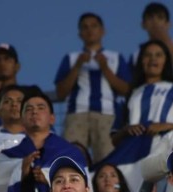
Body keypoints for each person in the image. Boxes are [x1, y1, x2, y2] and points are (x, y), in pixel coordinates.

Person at [102, 39, 173, 192]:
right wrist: (126, 130)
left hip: (163, 150)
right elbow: (114, 138)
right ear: (141, 61)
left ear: (166, 61)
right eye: (148, 55)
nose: (153, 59)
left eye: (158, 55)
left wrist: (166, 125)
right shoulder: (130, 95)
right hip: (130, 154)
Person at [55, 12, 131, 163]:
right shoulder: (71, 58)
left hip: (107, 115)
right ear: (80, 33)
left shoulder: (115, 57)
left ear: (102, 31)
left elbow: (126, 89)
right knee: (70, 159)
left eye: (94, 26)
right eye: (85, 27)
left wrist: (105, 68)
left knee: (108, 161)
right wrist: (77, 66)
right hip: (76, 114)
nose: (90, 30)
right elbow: (61, 93)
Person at [3, 90, 89, 192]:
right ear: (22, 120)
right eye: (29, 109)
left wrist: (51, 179)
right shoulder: (7, 154)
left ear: (52, 118)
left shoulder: (71, 153)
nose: (34, 112)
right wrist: (21, 173)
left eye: (40, 108)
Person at [132, 2, 173, 84]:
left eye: (160, 18)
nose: (155, 22)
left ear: (168, 24)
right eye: (150, 18)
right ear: (143, 24)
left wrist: (165, 40)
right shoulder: (137, 54)